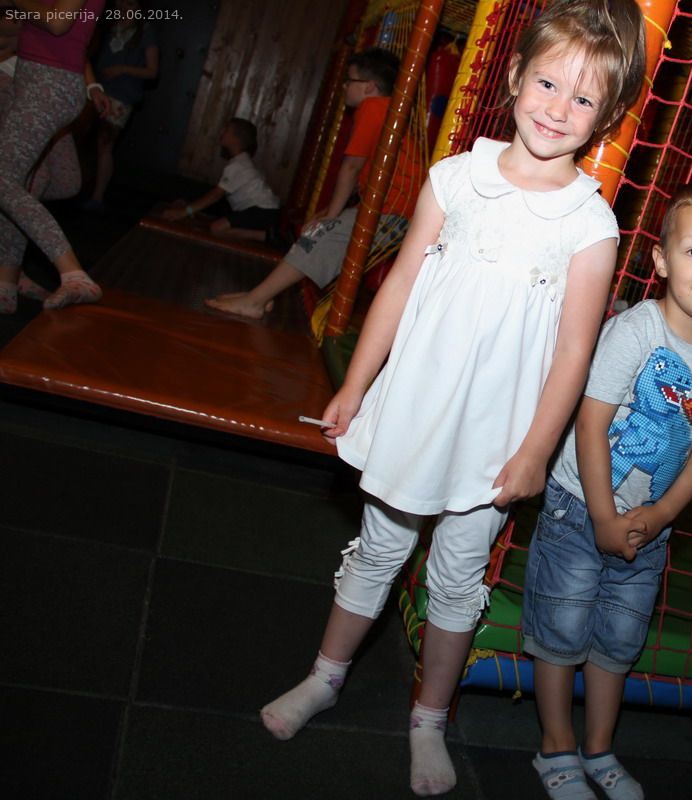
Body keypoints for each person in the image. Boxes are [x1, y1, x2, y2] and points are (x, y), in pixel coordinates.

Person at [258, 2, 646, 796]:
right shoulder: (457, 177)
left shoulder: (590, 225)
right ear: (516, 76)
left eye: (583, 99)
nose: (557, 109)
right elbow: (400, 284)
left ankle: (429, 718)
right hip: (416, 407)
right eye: (548, 83)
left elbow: (575, 352)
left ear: (605, 118)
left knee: (459, 576)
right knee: (378, 550)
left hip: (495, 438)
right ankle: (325, 676)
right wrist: (355, 385)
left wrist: (535, 451)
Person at [521, 177, 692, 800]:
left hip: (650, 524)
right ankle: (555, 746)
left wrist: (662, 514)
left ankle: (600, 747)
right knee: (562, 629)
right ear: (661, 259)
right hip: (581, 507)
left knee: (619, 639)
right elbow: (591, 423)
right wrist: (605, 516)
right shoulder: (635, 331)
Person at [204, 47, 423, 320]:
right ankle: (261, 296)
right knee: (315, 234)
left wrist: (332, 216)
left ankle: (255, 301)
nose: (344, 87)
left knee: (318, 237)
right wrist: (330, 213)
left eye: (349, 81)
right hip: (391, 207)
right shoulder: (386, 109)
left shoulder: (373, 108)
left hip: (393, 211)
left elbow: (351, 167)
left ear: (369, 87)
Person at [0, 0, 106, 315]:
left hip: (49, 82)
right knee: (18, 183)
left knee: (4, 180)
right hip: (39, 77)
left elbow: (59, 22)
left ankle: (73, 274)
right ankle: (5, 285)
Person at [84, 0, 158, 211]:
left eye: (131, 4)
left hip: (122, 95)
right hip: (96, 89)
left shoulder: (146, 32)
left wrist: (123, 69)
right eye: (122, 2)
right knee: (86, 140)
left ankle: (97, 197)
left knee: (105, 144)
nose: (124, 7)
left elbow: (152, 71)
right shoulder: (109, 24)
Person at [160, 118, 281, 244]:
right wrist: (189, 207)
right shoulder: (240, 162)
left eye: (226, 129)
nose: (221, 131)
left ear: (236, 140)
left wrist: (184, 212)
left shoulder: (238, 165)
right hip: (264, 211)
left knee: (217, 229)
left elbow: (216, 195)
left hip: (263, 211)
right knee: (216, 225)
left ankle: (265, 236)